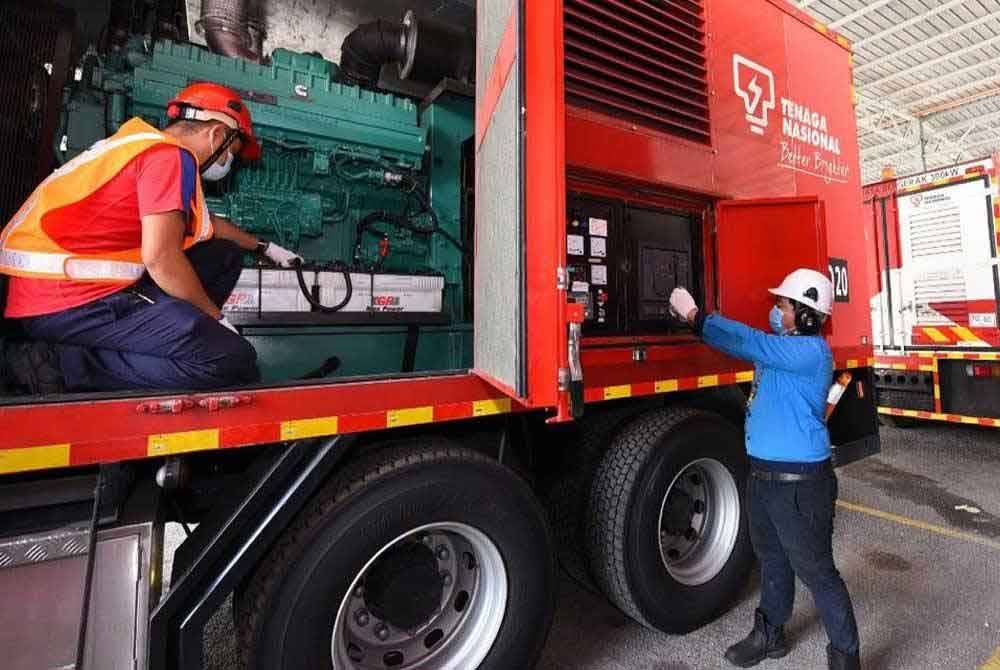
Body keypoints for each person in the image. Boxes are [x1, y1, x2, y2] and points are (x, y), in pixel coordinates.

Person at [0, 82, 301, 394]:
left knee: (225, 255)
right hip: (69, 303)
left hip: (48, 295)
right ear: (216, 136)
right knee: (233, 359)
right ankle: (58, 364)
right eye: (231, 155)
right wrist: (218, 319)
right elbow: (161, 259)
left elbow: (211, 227)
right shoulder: (171, 159)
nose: (228, 165)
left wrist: (267, 247)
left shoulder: (144, 145)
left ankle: (169, 335)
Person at [669, 269, 860, 670]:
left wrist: (697, 318)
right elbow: (763, 345)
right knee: (772, 558)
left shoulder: (810, 353)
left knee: (818, 572)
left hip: (801, 485)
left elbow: (750, 341)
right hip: (764, 478)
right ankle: (769, 634)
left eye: (783, 304)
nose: (776, 311)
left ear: (806, 315)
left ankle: (845, 658)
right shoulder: (785, 346)